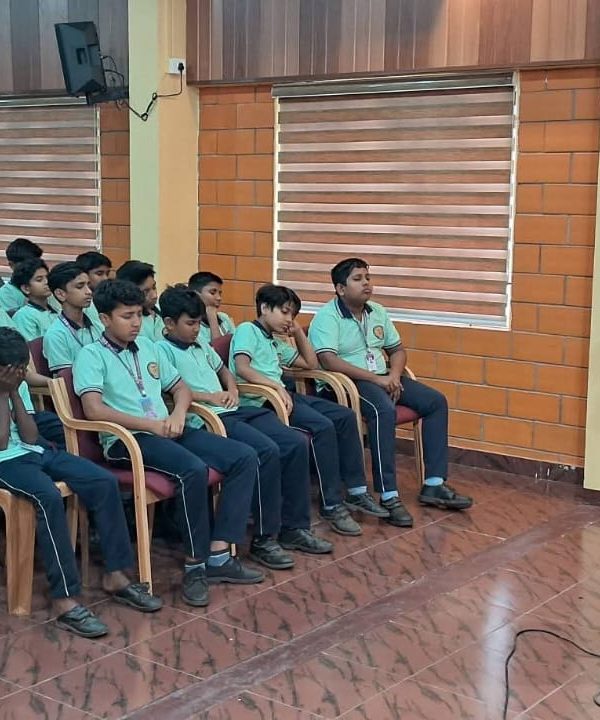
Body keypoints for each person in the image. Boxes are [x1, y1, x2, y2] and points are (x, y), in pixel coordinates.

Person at [73, 279, 264, 607]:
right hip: (127, 439)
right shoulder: (91, 355)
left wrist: (177, 413)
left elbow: (180, 389)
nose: (136, 322)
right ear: (104, 319)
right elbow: (94, 409)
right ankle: (195, 565)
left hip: (166, 428)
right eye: (126, 316)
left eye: (138, 315)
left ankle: (219, 554)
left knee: (244, 456)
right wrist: (152, 425)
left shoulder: (147, 347)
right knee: (192, 469)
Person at [0, 327, 161, 638]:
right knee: (47, 496)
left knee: (102, 481)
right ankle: (64, 599)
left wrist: (15, 392)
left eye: (22, 369)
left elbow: (30, 436)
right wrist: (3, 393)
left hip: (34, 451)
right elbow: (3, 442)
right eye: (13, 370)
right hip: (5, 461)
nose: (19, 375)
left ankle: (116, 574)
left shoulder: (15, 381)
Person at [157, 285, 332, 566]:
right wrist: (210, 397)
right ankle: (264, 539)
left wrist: (231, 389)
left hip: (234, 409)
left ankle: (294, 527)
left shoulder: (201, 345)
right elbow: (171, 393)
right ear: (168, 323)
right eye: (190, 324)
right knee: (266, 450)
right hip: (207, 418)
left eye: (199, 323)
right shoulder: (160, 350)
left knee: (295, 442)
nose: (196, 329)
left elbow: (225, 371)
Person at [309, 258, 474, 524]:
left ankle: (433, 484)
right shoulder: (327, 317)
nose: (366, 283)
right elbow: (328, 360)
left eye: (367, 277)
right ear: (340, 288)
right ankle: (388, 495)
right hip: (345, 383)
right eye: (358, 279)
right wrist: (377, 379)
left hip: (384, 378)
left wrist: (394, 376)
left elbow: (397, 349)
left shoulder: (377, 311)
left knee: (435, 402)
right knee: (383, 410)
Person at [231, 284, 393, 533]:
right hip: (262, 401)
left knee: (344, 416)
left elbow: (310, 363)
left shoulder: (273, 341)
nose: (289, 319)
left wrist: (297, 332)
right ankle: (331, 504)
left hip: (283, 396)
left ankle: (357, 490)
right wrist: (275, 386)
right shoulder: (247, 330)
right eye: (284, 312)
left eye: (293, 315)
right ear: (264, 308)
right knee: (322, 426)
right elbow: (242, 367)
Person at [43, 262, 101, 373]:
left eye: (88, 285)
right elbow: (65, 377)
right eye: (80, 286)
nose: (89, 292)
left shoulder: (97, 325)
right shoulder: (56, 336)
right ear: (60, 294)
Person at [116, 260, 165, 341]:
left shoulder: (162, 314)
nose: (154, 295)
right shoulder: (128, 323)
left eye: (154, 287)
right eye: (146, 291)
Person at [12, 259, 58, 340]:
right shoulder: (24, 316)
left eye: (47, 277)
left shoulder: (56, 310)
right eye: (39, 280)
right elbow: (30, 345)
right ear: (26, 288)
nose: (46, 282)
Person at [188, 271, 236, 343]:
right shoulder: (191, 324)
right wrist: (212, 318)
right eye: (212, 293)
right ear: (196, 294)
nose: (219, 298)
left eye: (220, 293)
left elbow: (235, 345)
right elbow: (217, 348)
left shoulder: (224, 318)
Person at [0, 238, 44, 312]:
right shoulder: (6, 293)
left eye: (36, 263)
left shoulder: (44, 287)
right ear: (11, 265)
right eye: (26, 264)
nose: (32, 268)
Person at [76, 251, 113, 330]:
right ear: (84, 275)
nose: (105, 278)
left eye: (107, 274)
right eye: (99, 273)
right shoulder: (80, 304)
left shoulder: (109, 299)